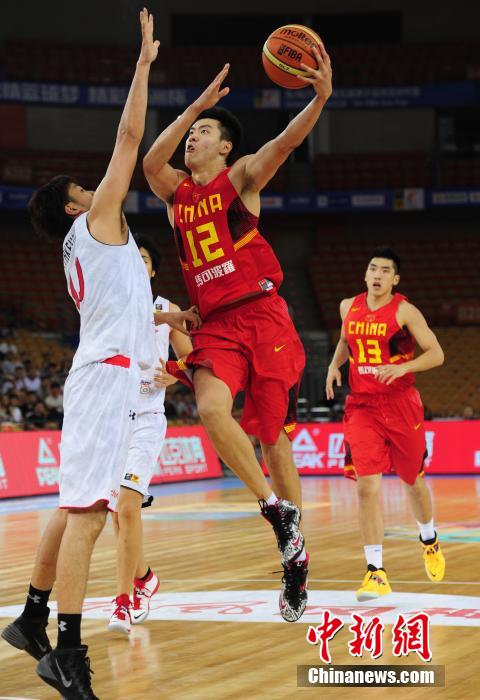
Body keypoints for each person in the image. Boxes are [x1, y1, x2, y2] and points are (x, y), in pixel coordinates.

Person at [0, 10, 171, 698]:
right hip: (106, 380)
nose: (96, 187)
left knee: (76, 509)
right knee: (91, 516)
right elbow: (129, 135)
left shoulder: (94, 243)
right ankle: (66, 651)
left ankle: (36, 615)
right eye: (85, 188)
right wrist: (142, 66)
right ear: (77, 206)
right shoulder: (98, 224)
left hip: (104, 377)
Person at [142, 42, 333, 622]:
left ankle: (296, 561)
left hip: (264, 316)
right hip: (218, 326)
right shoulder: (177, 195)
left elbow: (287, 142)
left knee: (273, 438)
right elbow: (150, 162)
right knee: (210, 407)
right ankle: (276, 512)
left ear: (225, 146)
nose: (193, 137)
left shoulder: (243, 178)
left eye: (204, 130)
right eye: (191, 131)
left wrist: (320, 97)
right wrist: (194, 104)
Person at [325, 246, 446, 601]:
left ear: (395, 279)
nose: (377, 275)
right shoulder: (349, 306)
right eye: (372, 268)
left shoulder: (405, 311)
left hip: (401, 405)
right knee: (366, 487)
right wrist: (335, 364)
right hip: (362, 407)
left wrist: (403, 368)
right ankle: (375, 571)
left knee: (413, 481)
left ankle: (429, 537)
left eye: (385, 271)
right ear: (365, 275)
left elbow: (437, 354)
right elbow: (347, 340)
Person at [109, 236, 193, 634]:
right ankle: (144, 577)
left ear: (152, 269)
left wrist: (174, 375)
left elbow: (193, 358)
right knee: (117, 515)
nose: (137, 263)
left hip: (146, 415)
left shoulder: (167, 308)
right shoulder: (110, 305)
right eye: (132, 258)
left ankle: (125, 602)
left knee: (127, 508)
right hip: (111, 419)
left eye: (143, 258)